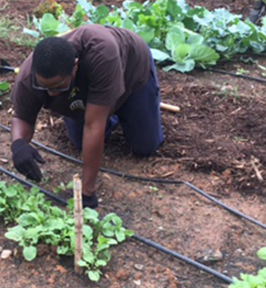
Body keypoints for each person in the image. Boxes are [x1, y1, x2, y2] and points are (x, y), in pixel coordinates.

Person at [9, 24, 165, 209]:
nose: (51, 93)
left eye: (58, 86)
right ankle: (105, 111)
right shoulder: (27, 77)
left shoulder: (102, 53)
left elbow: (93, 126)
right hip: (88, 86)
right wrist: (18, 145)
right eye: (45, 87)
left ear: (75, 67)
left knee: (145, 146)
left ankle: (118, 109)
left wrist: (87, 191)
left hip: (131, 71)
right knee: (80, 142)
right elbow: (22, 117)